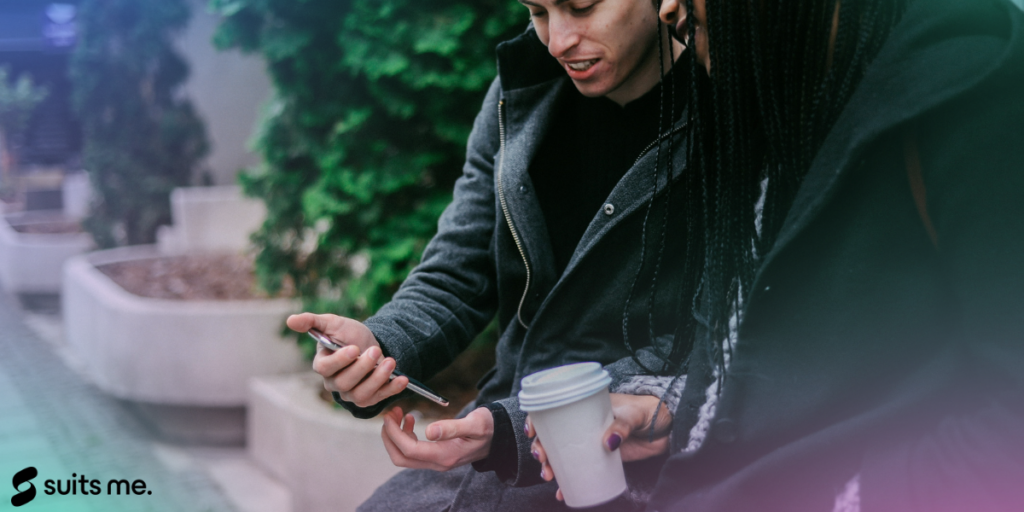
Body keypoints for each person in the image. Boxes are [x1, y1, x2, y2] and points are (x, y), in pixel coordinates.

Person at [531, 0, 1024, 510]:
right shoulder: (790, 97)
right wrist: (673, 417)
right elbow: (816, 378)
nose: (668, 6)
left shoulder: (972, 93)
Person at [286, 0, 696, 510]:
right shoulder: (519, 90)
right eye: (538, 12)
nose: (558, 40)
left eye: (582, 7)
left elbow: (715, 343)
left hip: (649, 463)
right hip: (500, 438)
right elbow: (459, 268)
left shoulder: (731, 107)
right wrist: (377, 345)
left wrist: (512, 428)